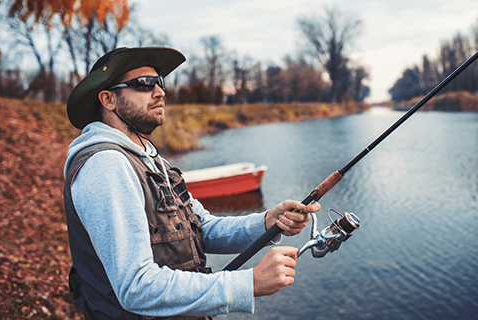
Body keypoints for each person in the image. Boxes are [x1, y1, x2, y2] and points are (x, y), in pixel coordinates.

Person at [63, 47, 321, 320]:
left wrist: (268, 222)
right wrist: (249, 283)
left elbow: (202, 228)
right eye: (143, 84)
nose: (160, 92)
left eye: (159, 82)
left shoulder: (150, 159)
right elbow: (136, 287)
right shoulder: (106, 165)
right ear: (108, 99)